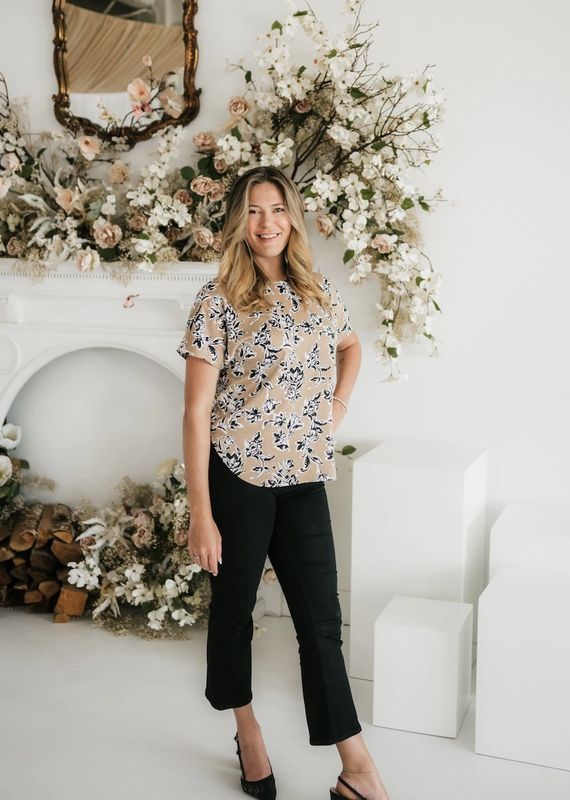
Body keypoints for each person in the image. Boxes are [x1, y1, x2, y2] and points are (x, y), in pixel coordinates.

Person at [177, 165, 390, 800]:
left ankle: (357, 768)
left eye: (276, 210)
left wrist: (339, 406)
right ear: (237, 221)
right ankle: (248, 734)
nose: (266, 223)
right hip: (237, 477)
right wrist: (201, 514)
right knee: (235, 614)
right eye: (252, 211)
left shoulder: (319, 291)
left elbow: (352, 347)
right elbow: (194, 413)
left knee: (321, 622)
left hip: (304, 478)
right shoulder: (217, 301)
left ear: (292, 216)